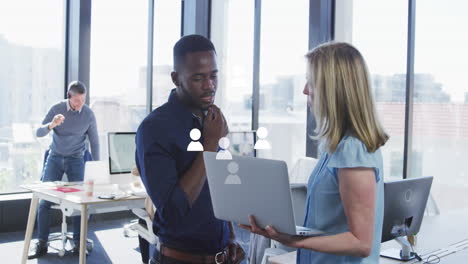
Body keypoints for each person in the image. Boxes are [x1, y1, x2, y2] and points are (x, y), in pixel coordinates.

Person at [240, 42, 389, 264]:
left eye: (312, 81)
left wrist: (294, 241)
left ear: (334, 89)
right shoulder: (338, 146)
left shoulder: (352, 150)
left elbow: (361, 243)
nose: (305, 89)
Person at [136, 35, 244, 264]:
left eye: (213, 75)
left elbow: (219, 188)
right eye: (198, 78)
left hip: (224, 257)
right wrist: (210, 145)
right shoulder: (154, 128)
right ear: (176, 78)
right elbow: (173, 211)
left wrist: (231, 237)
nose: (210, 85)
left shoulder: (212, 120)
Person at [28, 81, 100, 259]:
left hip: (76, 159)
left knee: (81, 202)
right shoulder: (57, 108)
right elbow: (38, 133)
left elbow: (95, 141)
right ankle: (41, 243)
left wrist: (96, 167)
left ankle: (78, 241)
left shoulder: (88, 114)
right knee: (43, 201)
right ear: (70, 96)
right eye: (76, 100)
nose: (80, 104)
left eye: (83, 100)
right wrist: (51, 125)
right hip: (55, 158)